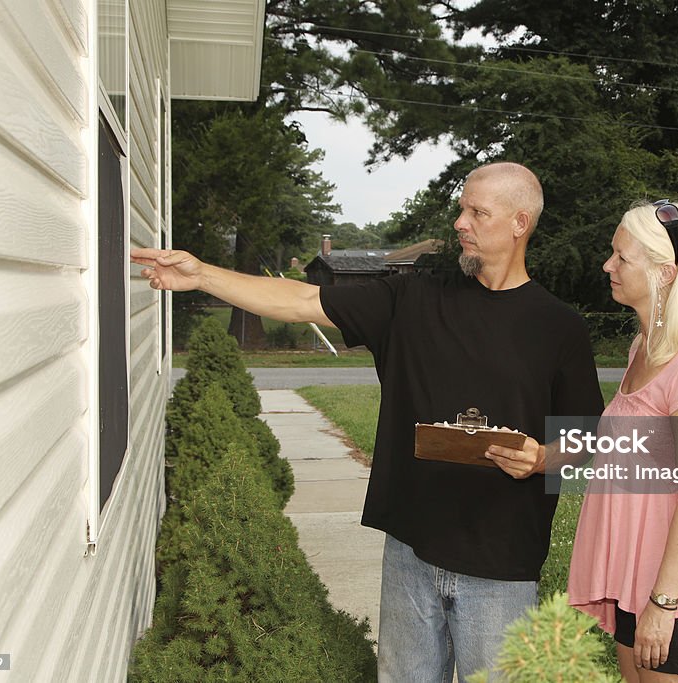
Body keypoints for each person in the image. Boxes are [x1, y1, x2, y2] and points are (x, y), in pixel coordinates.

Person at [131, 162, 604, 682]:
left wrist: (542, 459)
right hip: (410, 552)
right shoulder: (414, 299)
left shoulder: (559, 327)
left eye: (477, 212)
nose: (460, 222)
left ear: (520, 223)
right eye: (461, 208)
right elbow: (303, 300)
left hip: (502, 565)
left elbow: (584, 440)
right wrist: (202, 275)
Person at [566, 200, 678, 682]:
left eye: (622, 257)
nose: (608, 266)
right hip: (633, 590)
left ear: (665, 273)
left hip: (674, 598)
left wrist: (663, 605)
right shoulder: (641, 349)